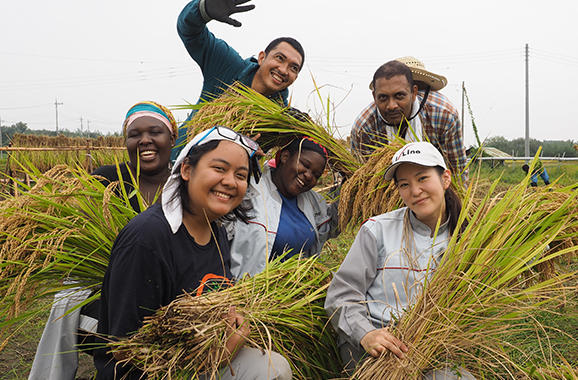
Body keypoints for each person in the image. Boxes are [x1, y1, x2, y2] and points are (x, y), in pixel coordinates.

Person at [94, 126, 292, 379]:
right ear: (186, 169)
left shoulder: (216, 230)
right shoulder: (148, 238)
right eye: (219, 169)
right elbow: (125, 348)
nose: (230, 182)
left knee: (272, 367)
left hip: (201, 358)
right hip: (150, 373)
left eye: (240, 175)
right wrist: (216, 356)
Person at [29, 101, 178, 380]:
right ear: (126, 142)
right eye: (135, 134)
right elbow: (76, 230)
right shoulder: (107, 179)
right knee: (68, 301)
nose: (145, 140)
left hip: (172, 291)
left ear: (172, 138)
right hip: (108, 294)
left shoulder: (183, 183)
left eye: (155, 132)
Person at [324, 142, 475, 379]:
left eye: (423, 178)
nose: (415, 191)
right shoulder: (377, 230)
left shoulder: (470, 237)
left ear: (445, 179)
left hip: (434, 348)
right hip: (372, 347)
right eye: (404, 184)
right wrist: (366, 334)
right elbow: (341, 295)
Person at [171, 0, 305, 161]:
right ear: (262, 57)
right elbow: (190, 32)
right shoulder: (228, 66)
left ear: (295, 77)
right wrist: (202, 10)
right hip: (174, 162)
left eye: (293, 68)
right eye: (279, 58)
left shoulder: (278, 117)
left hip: (219, 182)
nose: (283, 70)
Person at [226, 134, 340, 279]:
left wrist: (354, 181)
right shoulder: (249, 190)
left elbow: (333, 223)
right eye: (305, 165)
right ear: (285, 156)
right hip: (246, 292)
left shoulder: (313, 202)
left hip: (293, 295)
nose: (309, 176)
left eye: (316, 174)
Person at [350, 57, 468, 181]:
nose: (391, 106)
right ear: (374, 96)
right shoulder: (364, 128)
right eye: (383, 97)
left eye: (400, 95)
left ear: (414, 93)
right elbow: (362, 179)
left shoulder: (443, 115)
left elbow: (457, 171)